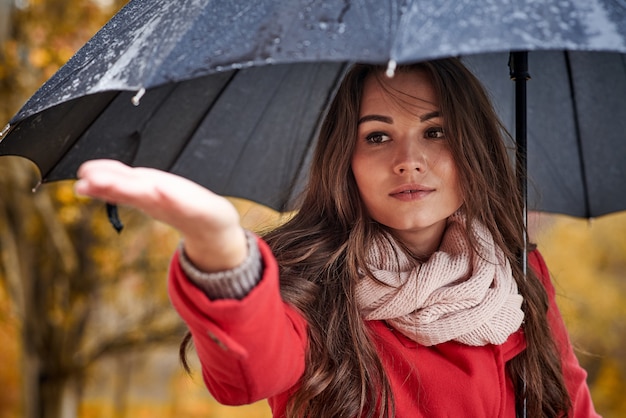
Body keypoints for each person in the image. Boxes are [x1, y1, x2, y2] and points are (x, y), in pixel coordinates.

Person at [75, 58, 599, 417]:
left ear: (474, 149)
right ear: (344, 163)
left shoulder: (517, 276)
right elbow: (248, 373)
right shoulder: (311, 283)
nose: (408, 160)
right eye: (377, 136)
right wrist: (220, 252)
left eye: (435, 131)